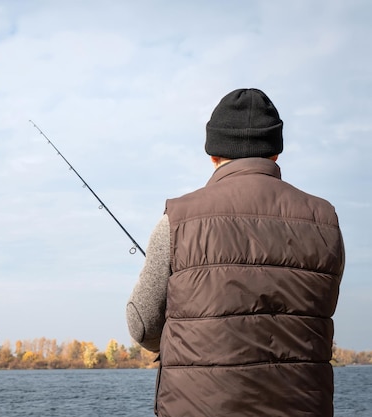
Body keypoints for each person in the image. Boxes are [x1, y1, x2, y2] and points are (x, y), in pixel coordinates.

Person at [126, 88, 345, 417]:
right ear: (275, 153)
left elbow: (142, 325)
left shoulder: (177, 218)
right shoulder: (326, 219)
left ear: (213, 154)